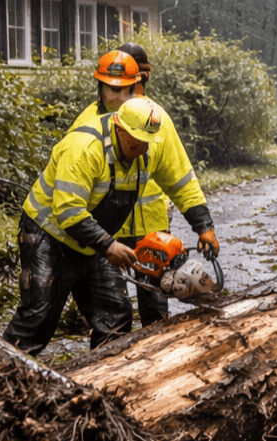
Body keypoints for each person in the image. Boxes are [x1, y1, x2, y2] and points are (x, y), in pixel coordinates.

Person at [3, 91, 218, 356]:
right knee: (38, 315)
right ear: (119, 128)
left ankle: (99, 381)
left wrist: (203, 226)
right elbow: (67, 210)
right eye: (138, 142)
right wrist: (108, 245)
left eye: (148, 142)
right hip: (48, 235)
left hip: (94, 241)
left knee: (115, 314)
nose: (144, 149)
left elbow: (180, 183)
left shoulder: (144, 148)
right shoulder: (83, 146)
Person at [68, 43, 213, 327]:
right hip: (107, 236)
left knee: (156, 312)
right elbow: (70, 196)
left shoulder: (157, 119)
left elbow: (180, 178)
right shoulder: (87, 125)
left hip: (153, 233)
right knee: (112, 315)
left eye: (139, 82)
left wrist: (204, 226)